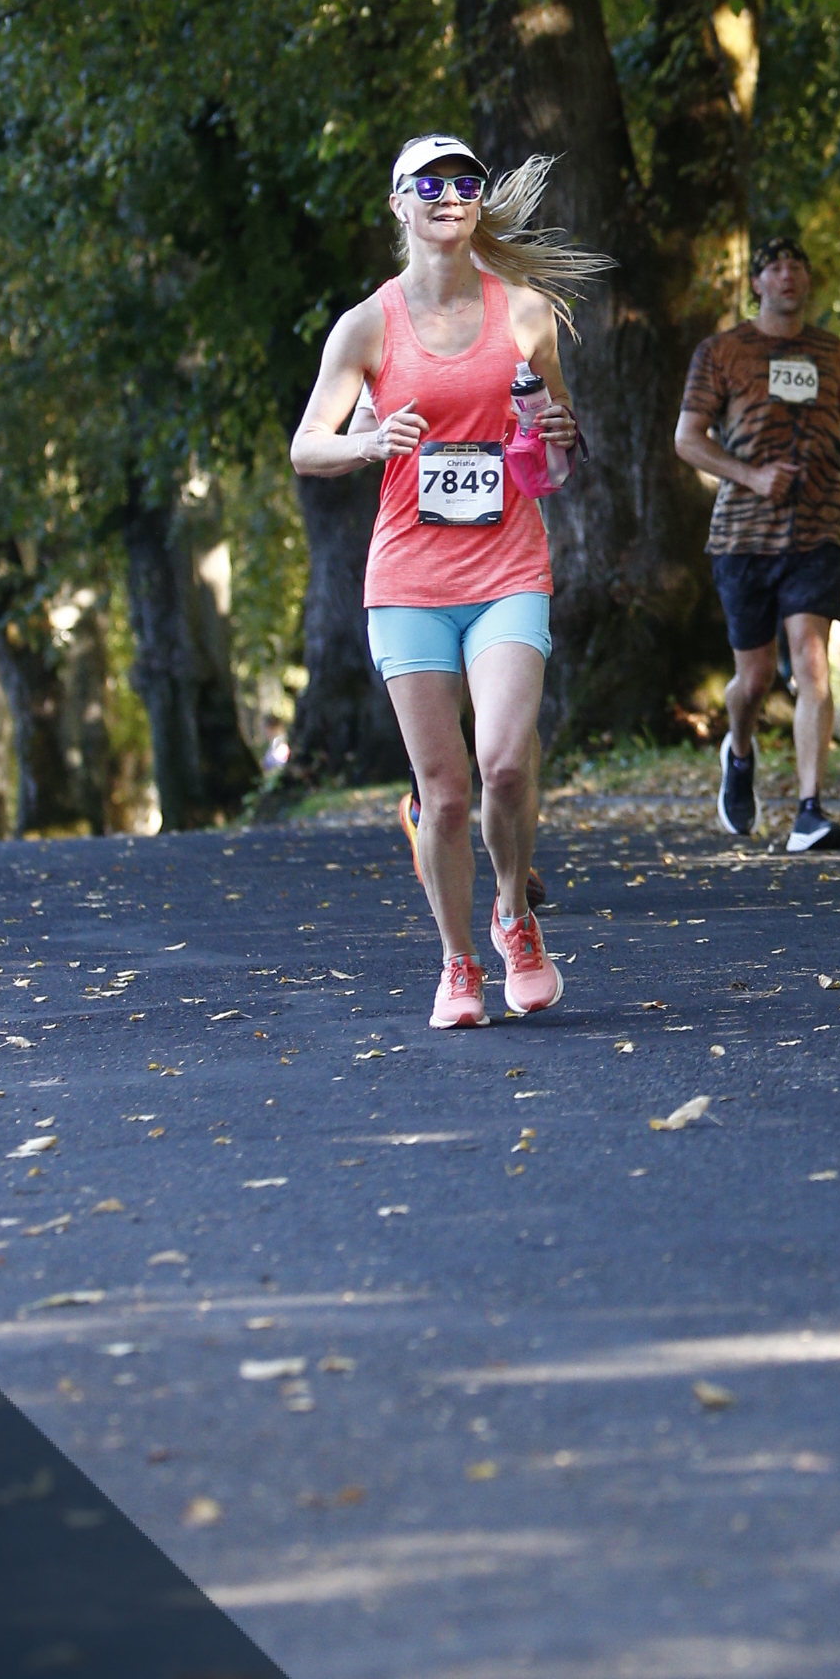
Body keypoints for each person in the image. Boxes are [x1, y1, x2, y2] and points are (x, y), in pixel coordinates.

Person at [290, 136, 599, 1030]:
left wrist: (559, 434)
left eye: (465, 182)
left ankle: (514, 920)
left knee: (504, 762)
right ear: (400, 203)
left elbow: (556, 447)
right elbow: (307, 446)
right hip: (408, 581)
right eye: (430, 184)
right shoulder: (367, 325)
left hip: (508, 568)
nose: (450, 195)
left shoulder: (527, 312)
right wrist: (368, 442)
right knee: (446, 791)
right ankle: (458, 963)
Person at [675, 235, 840, 854]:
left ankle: (810, 811)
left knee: (812, 667)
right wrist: (752, 475)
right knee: (755, 678)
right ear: (757, 283)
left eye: (797, 266)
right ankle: (739, 749)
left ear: (808, 280)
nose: (787, 275)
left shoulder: (832, 352)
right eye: (774, 267)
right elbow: (688, 438)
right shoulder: (722, 351)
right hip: (744, 535)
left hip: (818, 530)